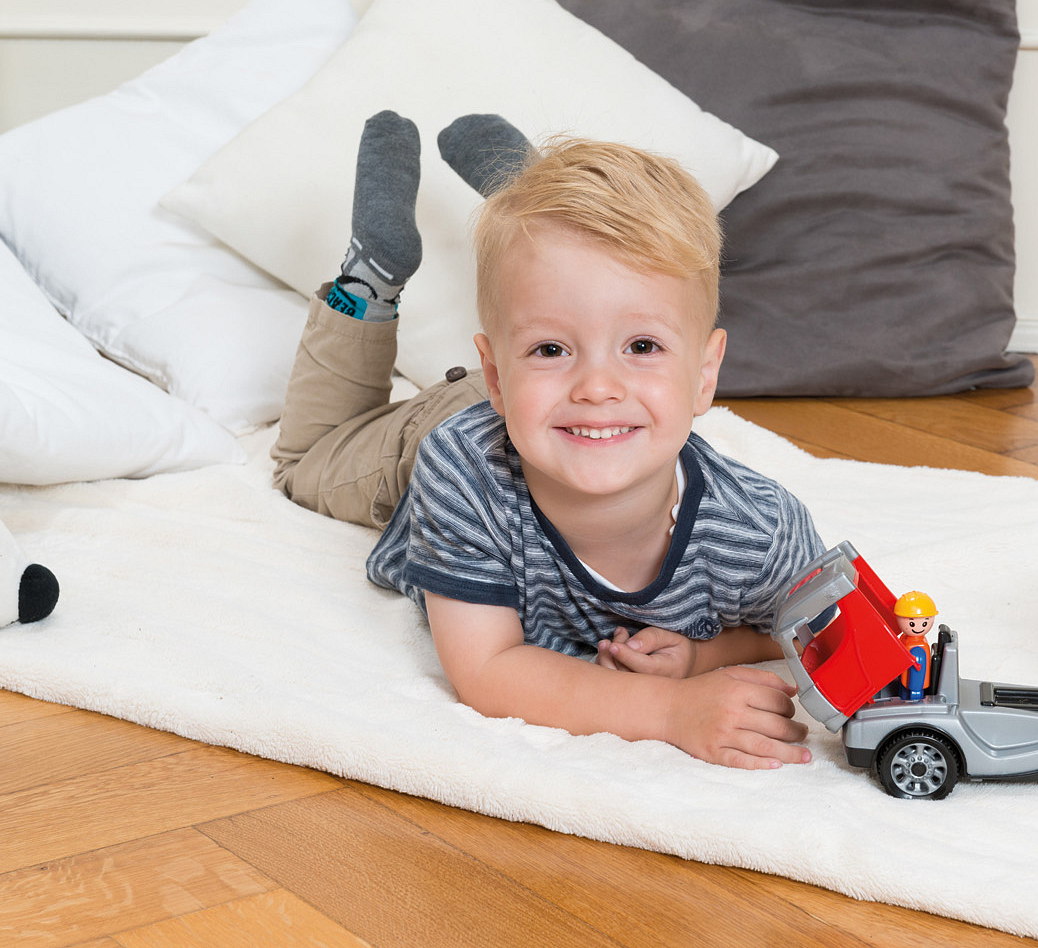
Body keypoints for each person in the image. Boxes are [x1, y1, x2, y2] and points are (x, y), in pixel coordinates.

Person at [272, 110, 825, 769]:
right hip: (458, 431)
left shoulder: (759, 529)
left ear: (705, 375)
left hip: (540, 409)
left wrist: (703, 655)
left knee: (566, 289)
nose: (598, 386)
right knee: (306, 461)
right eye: (555, 347)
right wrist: (671, 710)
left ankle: (542, 214)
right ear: (495, 375)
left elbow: (800, 630)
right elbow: (487, 668)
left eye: (642, 346)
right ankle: (370, 279)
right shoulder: (462, 472)